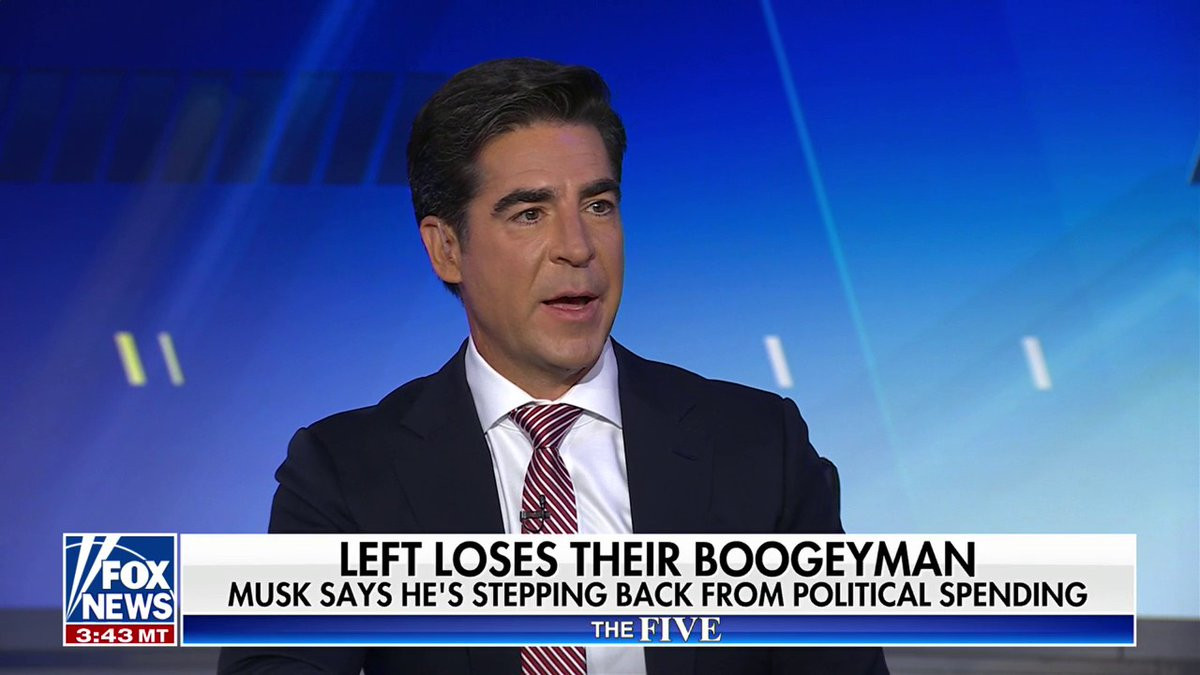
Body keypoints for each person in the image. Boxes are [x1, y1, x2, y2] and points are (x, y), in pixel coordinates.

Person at [219, 57, 888, 675]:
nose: (577, 246)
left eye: (598, 206)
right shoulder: (344, 472)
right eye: (530, 213)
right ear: (447, 248)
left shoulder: (759, 447)